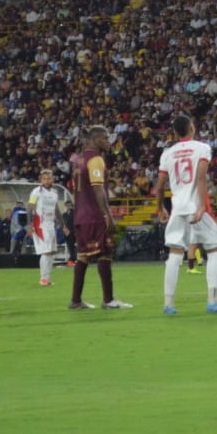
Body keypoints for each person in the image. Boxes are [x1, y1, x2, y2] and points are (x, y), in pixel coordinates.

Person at [149, 114, 217, 316]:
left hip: (177, 208)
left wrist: (160, 208)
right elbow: (201, 177)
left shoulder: (167, 154)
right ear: (192, 128)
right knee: (214, 249)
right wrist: (201, 207)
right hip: (196, 207)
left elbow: (159, 186)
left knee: (174, 254)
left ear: (175, 132)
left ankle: (168, 304)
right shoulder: (202, 148)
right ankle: (213, 301)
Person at [69, 125, 132, 310]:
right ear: (96, 139)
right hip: (95, 215)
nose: (108, 142)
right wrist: (107, 214)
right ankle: (108, 300)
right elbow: (98, 189)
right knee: (105, 253)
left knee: (83, 257)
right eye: (105, 138)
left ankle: (75, 301)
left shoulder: (79, 159)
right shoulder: (96, 159)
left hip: (80, 215)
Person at [28, 168, 67, 287]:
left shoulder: (55, 192)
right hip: (40, 224)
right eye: (44, 178)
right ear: (41, 179)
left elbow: (56, 210)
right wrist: (29, 225)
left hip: (51, 224)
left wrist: (63, 225)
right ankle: (43, 278)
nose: (46, 180)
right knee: (46, 251)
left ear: (53, 179)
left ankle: (48, 277)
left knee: (52, 251)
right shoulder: (36, 191)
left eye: (49, 178)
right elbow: (30, 208)